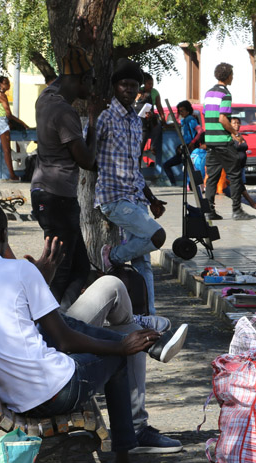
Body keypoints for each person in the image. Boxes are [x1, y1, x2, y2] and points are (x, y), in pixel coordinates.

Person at [0, 201, 183, 463]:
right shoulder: (20, 270)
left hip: (11, 395)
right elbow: (64, 340)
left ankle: (145, 344)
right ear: (5, 235)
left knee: (65, 324)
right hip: (53, 391)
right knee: (116, 359)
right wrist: (120, 349)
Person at [96, 59, 168, 317]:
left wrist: (152, 198)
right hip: (113, 197)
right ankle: (113, 256)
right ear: (115, 87)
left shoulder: (136, 122)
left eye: (133, 85)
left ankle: (147, 316)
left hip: (135, 197)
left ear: (139, 89)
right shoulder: (104, 118)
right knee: (156, 237)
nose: (128, 89)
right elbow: (86, 153)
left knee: (144, 263)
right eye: (123, 84)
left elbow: (134, 168)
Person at [30, 46, 99, 309]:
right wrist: (93, 120)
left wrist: (82, 47)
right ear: (80, 80)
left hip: (43, 192)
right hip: (58, 198)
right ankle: (52, 327)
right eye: (90, 80)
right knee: (61, 270)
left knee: (80, 267)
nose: (92, 86)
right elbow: (88, 161)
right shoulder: (64, 112)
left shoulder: (45, 97)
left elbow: (62, 77)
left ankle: (66, 319)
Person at [203, 62, 250, 221]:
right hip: (223, 141)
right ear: (228, 76)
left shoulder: (208, 93)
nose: (233, 77)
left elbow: (207, 115)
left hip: (210, 141)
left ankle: (209, 211)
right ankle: (237, 211)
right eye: (232, 75)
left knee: (212, 177)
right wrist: (235, 133)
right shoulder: (226, 94)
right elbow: (222, 118)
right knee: (235, 175)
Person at [0, 76, 29, 181]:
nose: (8, 85)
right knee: (7, 150)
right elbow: (9, 114)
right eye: (6, 83)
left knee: (15, 133)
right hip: (0, 123)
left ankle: (19, 154)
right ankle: (12, 175)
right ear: (1, 85)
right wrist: (22, 123)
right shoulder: (2, 96)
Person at [230, 117, 256, 211]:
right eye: (234, 123)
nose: (237, 125)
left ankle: (242, 205)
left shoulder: (240, 135)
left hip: (242, 166)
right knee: (239, 186)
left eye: (238, 123)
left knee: (240, 186)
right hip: (234, 166)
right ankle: (252, 204)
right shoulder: (229, 137)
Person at [161, 100, 201, 184]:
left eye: (182, 110)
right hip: (185, 147)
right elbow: (176, 121)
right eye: (179, 111)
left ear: (188, 110)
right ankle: (175, 184)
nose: (180, 112)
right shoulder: (185, 120)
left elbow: (200, 131)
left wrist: (192, 142)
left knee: (189, 167)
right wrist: (177, 112)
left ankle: (190, 185)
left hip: (190, 147)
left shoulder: (190, 119)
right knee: (168, 165)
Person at [138, 73, 166, 177]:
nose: (151, 86)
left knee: (157, 126)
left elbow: (159, 106)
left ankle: (153, 146)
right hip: (140, 119)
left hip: (151, 116)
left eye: (152, 83)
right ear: (144, 84)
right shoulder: (139, 91)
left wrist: (163, 119)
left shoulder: (155, 93)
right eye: (149, 84)